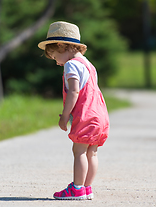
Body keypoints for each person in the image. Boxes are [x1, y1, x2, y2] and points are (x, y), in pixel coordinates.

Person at [38, 21, 110, 200]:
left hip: (86, 116)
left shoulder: (72, 65)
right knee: (91, 152)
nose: (56, 62)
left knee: (78, 151)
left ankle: (77, 188)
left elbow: (74, 91)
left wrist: (64, 115)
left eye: (55, 57)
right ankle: (87, 188)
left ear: (62, 46)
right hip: (100, 115)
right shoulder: (88, 64)